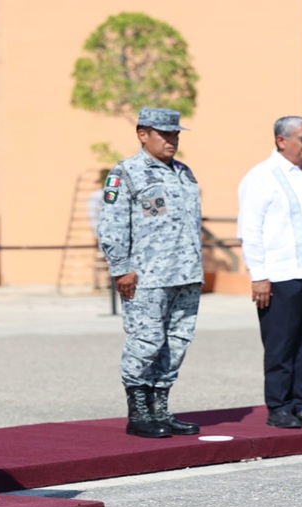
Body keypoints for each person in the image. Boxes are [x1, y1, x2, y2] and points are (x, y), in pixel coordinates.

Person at [97, 108, 203, 438]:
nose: (172, 140)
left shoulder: (184, 172)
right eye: (165, 134)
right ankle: (138, 412)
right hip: (146, 277)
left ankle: (160, 408)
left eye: (176, 135)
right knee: (146, 341)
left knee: (177, 342)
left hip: (185, 274)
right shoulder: (126, 173)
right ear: (143, 134)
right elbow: (111, 226)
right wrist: (121, 269)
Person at [237, 116, 302, 429]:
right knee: (281, 344)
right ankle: (278, 406)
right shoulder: (261, 176)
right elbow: (250, 230)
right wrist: (259, 275)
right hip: (280, 275)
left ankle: (300, 403)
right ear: (281, 141)